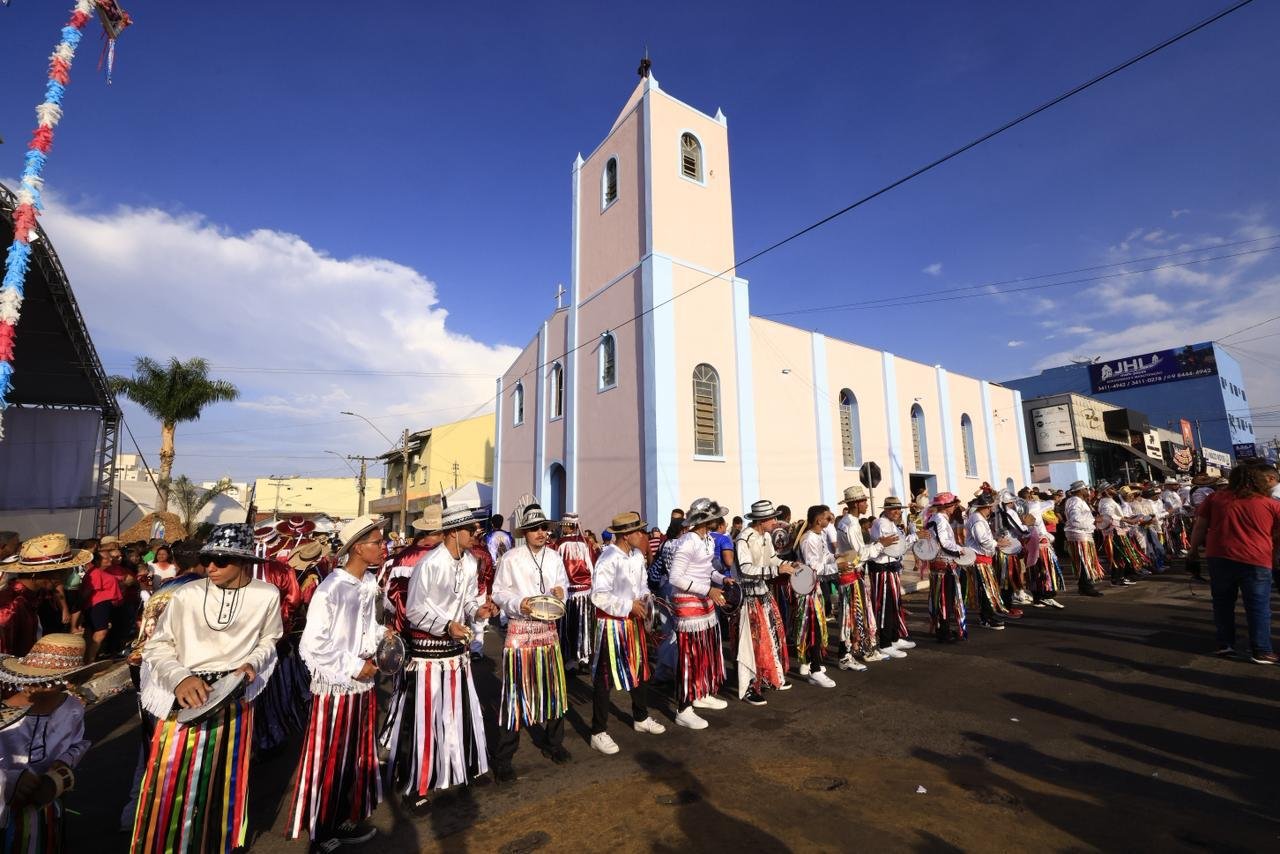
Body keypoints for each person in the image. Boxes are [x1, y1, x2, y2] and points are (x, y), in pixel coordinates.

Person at [131, 523, 283, 854]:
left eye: (220, 560)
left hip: (235, 696)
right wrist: (179, 678)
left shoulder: (267, 595)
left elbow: (270, 638)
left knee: (222, 785)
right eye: (207, 559)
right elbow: (158, 646)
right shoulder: (185, 594)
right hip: (185, 696)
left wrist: (252, 664)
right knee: (171, 785)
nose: (210, 566)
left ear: (243, 562)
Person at [289, 515, 387, 848]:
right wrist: (353, 666)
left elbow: (367, 627)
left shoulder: (368, 583)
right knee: (329, 757)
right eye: (378, 542)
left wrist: (384, 638)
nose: (383, 547)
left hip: (362, 684)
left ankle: (342, 819)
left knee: (353, 756)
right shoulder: (331, 588)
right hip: (337, 689)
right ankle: (320, 831)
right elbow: (312, 644)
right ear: (359, 548)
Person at [389, 508, 495, 804]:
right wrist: (447, 626)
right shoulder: (430, 564)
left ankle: (465, 767)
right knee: (423, 717)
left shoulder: (471, 562)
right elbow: (414, 612)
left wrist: (479, 611)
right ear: (451, 532)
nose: (475, 534)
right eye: (469, 529)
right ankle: (416, 783)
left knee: (460, 710)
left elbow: (472, 601)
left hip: (456, 654)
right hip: (428, 656)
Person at [491, 503, 572, 777]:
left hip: (548, 632)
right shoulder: (511, 558)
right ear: (524, 532)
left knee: (554, 689)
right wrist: (518, 603)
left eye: (543, 528)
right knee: (515, 694)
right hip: (521, 631)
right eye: (534, 529)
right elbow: (498, 593)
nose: (540, 533)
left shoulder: (554, 557)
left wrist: (563, 592)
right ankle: (504, 758)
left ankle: (554, 743)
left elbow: (565, 589)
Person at [0, 633, 92, 853]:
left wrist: (56, 778)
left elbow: (76, 746)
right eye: (35, 679)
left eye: (51, 681)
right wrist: (11, 780)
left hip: (45, 811)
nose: (37, 686)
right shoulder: (4, 714)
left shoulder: (72, 709)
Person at [588, 512, 666, 755]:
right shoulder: (608, 558)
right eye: (638, 532)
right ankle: (597, 731)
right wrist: (627, 605)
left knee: (640, 669)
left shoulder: (636, 556)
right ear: (625, 535)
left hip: (633, 623)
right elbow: (598, 595)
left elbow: (642, 585)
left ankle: (640, 717)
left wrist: (644, 600)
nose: (642, 535)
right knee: (605, 677)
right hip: (611, 624)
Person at [1188, 460, 1280, 665]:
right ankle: (1261, 650)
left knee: (1222, 604)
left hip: (1219, 557)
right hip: (1257, 559)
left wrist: (1193, 551)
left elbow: (1200, 527)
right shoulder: (1271, 504)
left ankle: (1225, 645)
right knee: (1258, 607)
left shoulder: (1214, 499)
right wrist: (1274, 557)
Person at [666, 498, 732, 730]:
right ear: (706, 520)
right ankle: (684, 708)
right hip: (689, 603)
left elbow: (708, 569)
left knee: (706, 650)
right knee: (690, 655)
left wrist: (722, 578)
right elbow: (675, 578)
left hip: (705, 601)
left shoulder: (707, 539)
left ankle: (700, 692)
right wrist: (708, 589)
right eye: (715, 518)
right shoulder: (687, 542)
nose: (718, 521)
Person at [733, 500, 795, 705]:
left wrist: (788, 564)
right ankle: (750, 686)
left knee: (768, 637)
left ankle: (767, 676)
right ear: (762, 520)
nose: (776, 522)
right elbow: (745, 570)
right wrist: (776, 570)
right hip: (748, 598)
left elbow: (773, 559)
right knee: (749, 644)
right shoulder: (743, 538)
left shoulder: (766, 536)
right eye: (772, 518)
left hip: (763, 594)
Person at [1, 534, 86, 658]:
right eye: (59, 573)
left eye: (67, 571)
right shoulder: (9, 607)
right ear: (36, 573)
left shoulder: (36, 595)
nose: (63, 578)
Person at [834, 485, 884, 669]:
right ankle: (845, 656)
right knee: (850, 617)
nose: (867, 504)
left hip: (852, 575)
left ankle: (858, 648)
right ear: (856, 503)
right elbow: (860, 554)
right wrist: (880, 545)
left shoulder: (848, 522)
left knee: (857, 615)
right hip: (849, 576)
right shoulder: (851, 524)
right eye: (864, 501)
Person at [794, 506, 844, 686]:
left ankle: (808, 663)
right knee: (813, 626)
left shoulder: (818, 535)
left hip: (815, 588)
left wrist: (837, 557)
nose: (830, 519)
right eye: (827, 517)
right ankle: (814, 669)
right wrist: (834, 565)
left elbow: (824, 557)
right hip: (808, 589)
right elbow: (813, 566)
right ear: (818, 520)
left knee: (813, 627)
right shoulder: (808, 539)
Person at [867, 497, 916, 658]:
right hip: (882, 570)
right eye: (894, 509)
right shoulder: (881, 523)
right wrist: (912, 537)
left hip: (891, 568)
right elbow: (890, 548)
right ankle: (885, 643)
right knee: (885, 606)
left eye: (899, 509)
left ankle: (894, 638)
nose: (897, 512)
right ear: (886, 510)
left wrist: (915, 536)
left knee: (894, 604)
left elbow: (899, 547)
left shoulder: (891, 524)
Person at [923, 494, 968, 642]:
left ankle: (943, 630)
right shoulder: (940, 520)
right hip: (943, 565)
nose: (955, 507)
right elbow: (944, 542)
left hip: (940, 564)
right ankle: (944, 633)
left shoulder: (936, 518)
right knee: (945, 600)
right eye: (953, 505)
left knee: (943, 600)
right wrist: (959, 549)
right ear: (946, 506)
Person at [556, 513, 596, 668]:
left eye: (564, 525)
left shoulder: (559, 544)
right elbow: (592, 567)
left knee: (569, 626)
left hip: (568, 592)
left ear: (568, 526)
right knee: (584, 624)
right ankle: (584, 656)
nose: (562, 528)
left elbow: (556, 569)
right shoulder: (586, 544)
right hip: (585, 591)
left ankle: (571, 658)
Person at [964, 495, 1007, 630]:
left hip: (982, 559)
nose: (992, 509)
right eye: (991, 507)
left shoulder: (979, 518)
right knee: (985, 590)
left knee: (986, 589)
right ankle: (986, 618)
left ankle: (988, 615)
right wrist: (997, 543)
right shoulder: (977, 520)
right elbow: (983, 540)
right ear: (987, 507)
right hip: (979, 560)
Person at [1063, 481, 1106, 597]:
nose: (1088, 491)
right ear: (1080, 490)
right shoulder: (1074, 502)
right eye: (1086, 489)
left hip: (1083, 534)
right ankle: (1086, 587)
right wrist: (1094, 520)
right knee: (1084, 561)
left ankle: (1084, 586)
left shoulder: (1078, 501)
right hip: (1079, 535)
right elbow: (1075, 519)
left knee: (1084, 561)